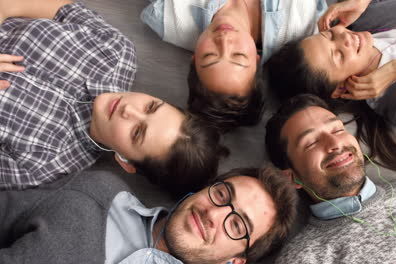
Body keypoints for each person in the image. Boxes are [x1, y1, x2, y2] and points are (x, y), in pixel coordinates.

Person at [0, 0, 227, 196]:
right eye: (150, 106)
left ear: (125, 162)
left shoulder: (42, 165)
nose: (129, 110)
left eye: (137, 132)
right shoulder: (116, 51)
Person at [265, 94, 396, 263]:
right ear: (291, 177)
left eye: (337, 129)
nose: (335, 143)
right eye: (311, 142)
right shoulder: (304, 258)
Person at [265, 0, 396, 169]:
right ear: (341, 89)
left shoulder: (365, 16)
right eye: (337, 54)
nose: (344, 37)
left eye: (328, 35)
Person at [0, 165, 298, 264]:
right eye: (221, 195)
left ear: (235, 261)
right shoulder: (99, 193)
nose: (214, 214)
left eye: (236, 224)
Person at [141, 0, 327, 131]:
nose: (224, 41)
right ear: (256, 58)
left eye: (210, 55)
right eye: (238, 55)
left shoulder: (171, 16)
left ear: (194, 58)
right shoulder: (301, 26)